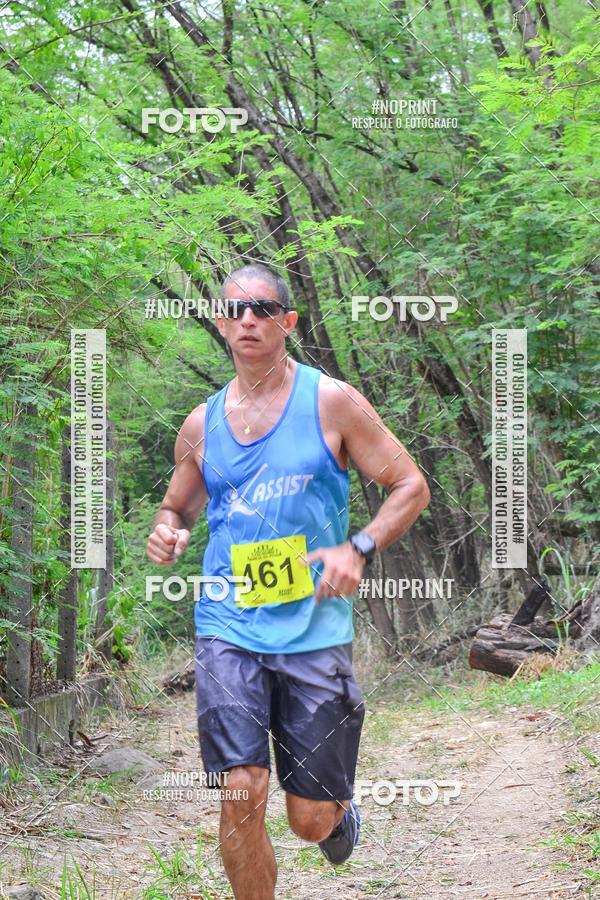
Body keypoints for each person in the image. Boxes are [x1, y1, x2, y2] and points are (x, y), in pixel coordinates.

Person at [146, 263, 430, 900]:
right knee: (241, 790)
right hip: (229, 623)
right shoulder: (201, 425)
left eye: (264, 309)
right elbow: (178, 506)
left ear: (287, 322)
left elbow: (410, 486)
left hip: (313, 629)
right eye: (237, 311)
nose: (249, 320)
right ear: (221, 324)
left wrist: (358, 546)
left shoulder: (331, 401)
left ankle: (336, 816)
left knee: (308, 819)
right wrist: (169, 530)